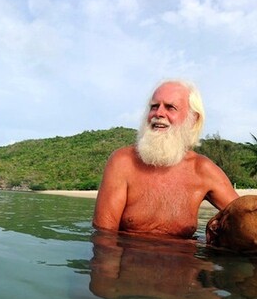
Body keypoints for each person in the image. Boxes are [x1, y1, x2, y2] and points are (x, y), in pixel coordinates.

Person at [92, 79, 239, 238]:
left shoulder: (203, 170)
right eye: (154, 106)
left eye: (170, 107)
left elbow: (249, 217)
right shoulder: (123, 162)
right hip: (131, 260)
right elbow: (104, 238)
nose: (158, 113)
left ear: (193, 119)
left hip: (185, 261)